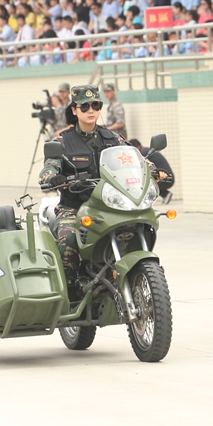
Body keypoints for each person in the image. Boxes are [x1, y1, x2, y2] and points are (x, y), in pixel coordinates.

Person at [38, 85, 129, 291]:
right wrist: (52, 177)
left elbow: (135, 159)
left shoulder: (112, 138)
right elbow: (49, 167)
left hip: (107, 206)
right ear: (74, 110)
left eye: (95, 105)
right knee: (68, 239)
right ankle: (70, 295)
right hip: (75, 207)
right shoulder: (63, 140)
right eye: (84, 106)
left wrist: (153, 170)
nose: (91, 110)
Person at [129, 138, 174, 203]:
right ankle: (165, 194)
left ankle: (164, 194)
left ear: (137, 147)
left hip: (164, 178)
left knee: (144, 183)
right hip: (167, 177)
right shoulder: (147, 151)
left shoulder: (143, 153)